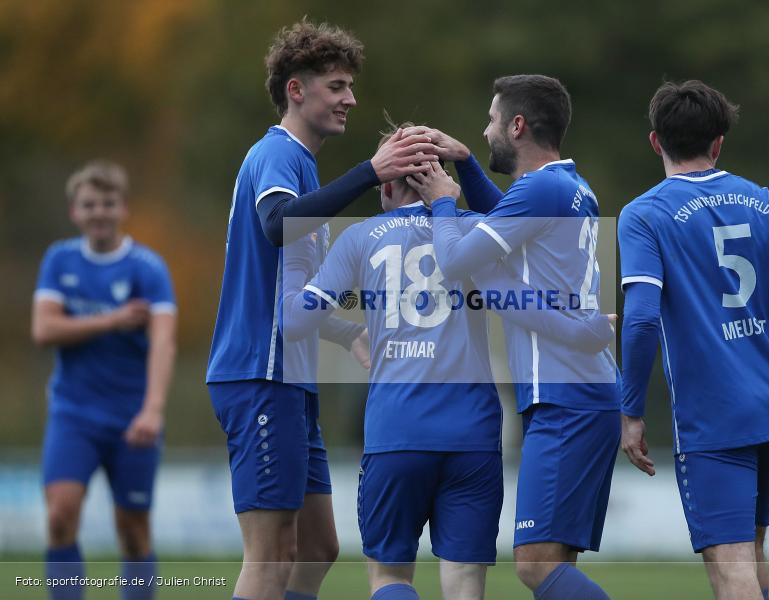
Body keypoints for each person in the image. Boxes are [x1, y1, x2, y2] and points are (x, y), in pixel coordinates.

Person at [281, 122, 614, 600]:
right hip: (473, 436)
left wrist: (295, 262)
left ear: (388, 183)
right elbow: (521, 303)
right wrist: (587, 330)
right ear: (437, 176)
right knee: (463, 587)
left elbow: (295, 322)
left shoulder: (360, 239)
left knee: (389, 578)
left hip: (397, 430)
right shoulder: (476, 233)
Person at [205, 20, 441, 600]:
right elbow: (278, 227)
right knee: (269, 553)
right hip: (260, 374)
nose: (350, 99)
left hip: (291, 378)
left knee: (318, 548)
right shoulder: (277, 154)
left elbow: (291, 282)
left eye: (349, 86)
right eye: (336, 86)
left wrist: (343, 332)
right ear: (296, 89)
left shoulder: (304, 167)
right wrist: (370, 174)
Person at [617, 80, 769, 600]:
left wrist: (630, 411)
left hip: (718, 416)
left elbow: (642, 319)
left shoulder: (644, 214)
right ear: (719, 143)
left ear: (655, 142)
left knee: (729, 564)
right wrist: (764, 318)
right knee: (751, 552)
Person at [405, 75, 620, 600]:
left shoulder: (541, 188)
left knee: (535, 567)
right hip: (583, 392)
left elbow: (458, 260)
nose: (484, 131)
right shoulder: (568, 184)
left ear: (517, 125)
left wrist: (442, 201)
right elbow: (503, 227)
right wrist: (467, 165)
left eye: (492, 120)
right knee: (554, 565)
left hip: (567, 397)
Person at [32, 160, 177, 600]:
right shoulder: (60, 260)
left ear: (123, 208)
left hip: (132, 417)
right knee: (60, 516)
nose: (98, 212)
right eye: (88, 204)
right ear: (75, 211)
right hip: (73, 413)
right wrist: (114, 319)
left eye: (107, 203)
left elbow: (164, 343)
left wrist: (152, 410)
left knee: (133, 531)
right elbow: (44, 330)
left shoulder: (148, 268)